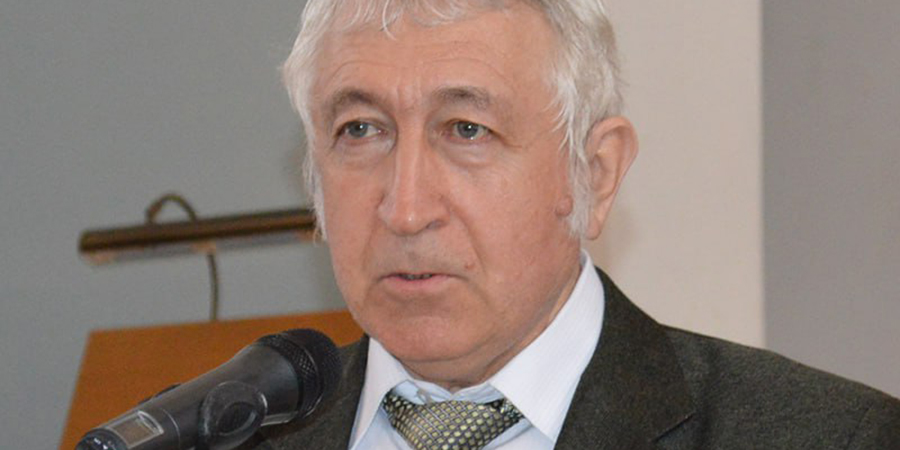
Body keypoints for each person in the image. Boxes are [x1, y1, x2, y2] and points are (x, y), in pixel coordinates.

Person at [243, 1, 900, 448]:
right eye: (360, 130)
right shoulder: (227, 433)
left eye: (467, 129)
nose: (406, 209)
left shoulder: (830, 436)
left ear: (596, 173)